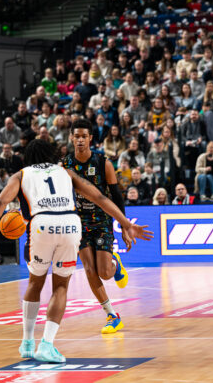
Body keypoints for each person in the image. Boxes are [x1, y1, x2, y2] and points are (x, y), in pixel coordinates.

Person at [0, 139, 153, 362]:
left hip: (41, 225)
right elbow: (100, 198)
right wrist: (125, 223)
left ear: (28, 157)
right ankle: (47, 345)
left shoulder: (21, 175)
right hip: (70, 224)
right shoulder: (66, 172)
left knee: (35, 282)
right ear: (51, 153)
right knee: (60, 286)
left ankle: (26, 343)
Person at [63, 120, 151, 334]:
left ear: (91, 138)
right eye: (77, 136)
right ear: (72, 138)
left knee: (104, 272)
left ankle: (114, 263)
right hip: (78, 221)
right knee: (89, 269)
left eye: (85, 136)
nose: (81, 139)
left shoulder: (104, 163)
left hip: (101, 219)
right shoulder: (64, 165)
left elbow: (117, 197)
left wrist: (125, 226)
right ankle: (112, 315)